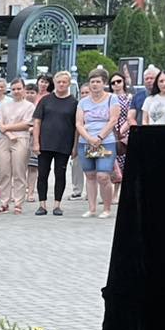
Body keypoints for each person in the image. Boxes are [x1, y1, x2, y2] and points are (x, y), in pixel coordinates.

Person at [31, 71, 77, 216]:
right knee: (43, 173)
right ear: (55, 83)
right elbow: (37, 122)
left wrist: (75, 146)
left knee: (60, 173)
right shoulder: (45, 100)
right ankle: (42, 204)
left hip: (64, 143)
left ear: (69, 84)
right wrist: (36, 142)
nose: (61, 84)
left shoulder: (74, 103)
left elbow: (77, 126)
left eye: (64, 82)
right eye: (59, 82)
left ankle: (57, 204)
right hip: (45, 143)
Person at [76, 67, 117, 218]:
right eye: (92, 81)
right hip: (86, 141)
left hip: (105, 142)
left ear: (104, 83)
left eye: (98, 81)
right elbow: (79, 123)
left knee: (103, 175)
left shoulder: (112, 98)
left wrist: (99, 137)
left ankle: (106, 208)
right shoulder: (83, 102)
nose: (95, 84)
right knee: (90, 175)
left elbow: (113, 120)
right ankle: (92, 208)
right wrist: (89, 138)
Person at [0, 79, 36, 214]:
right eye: (13, 89)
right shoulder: (5, 105)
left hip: (21, 138)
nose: (16, 92)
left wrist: (7, 127)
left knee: (19, 171)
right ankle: (4, 202)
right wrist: (7, 132)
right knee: (4, 171)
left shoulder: (29, 106)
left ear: (23, 89)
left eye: (19, 89)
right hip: (3, 139)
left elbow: (27, 124)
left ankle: (18, 203)